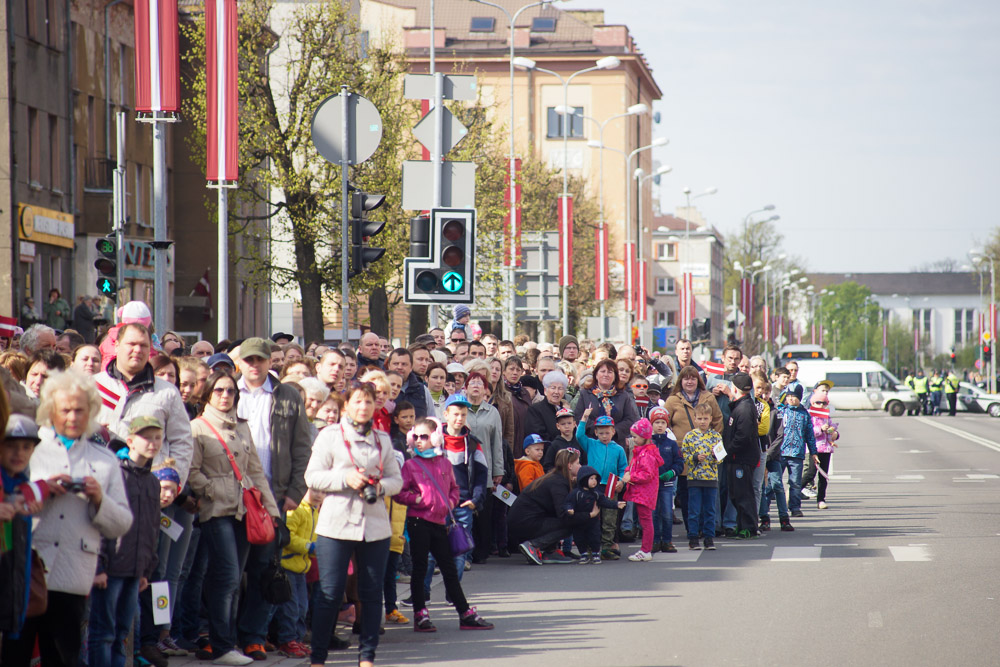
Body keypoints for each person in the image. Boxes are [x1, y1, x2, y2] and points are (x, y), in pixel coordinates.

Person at [9, 370, 133, 667]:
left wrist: (99, 499)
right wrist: (43, 490)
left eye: (80, 410)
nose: (73, 416)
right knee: (14, 655)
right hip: (25, 568)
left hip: (73, 571)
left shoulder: (104, 460)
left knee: (64, 657)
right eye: (65, 409)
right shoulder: (28, 448)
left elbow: (123, 523)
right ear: (51, 409)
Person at [94, 322, 195, 664]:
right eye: (130, 344)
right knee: (110, 567)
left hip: (153, 493)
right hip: (108, 492)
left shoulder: (165, 392)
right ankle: (118, 646)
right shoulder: (97, 385)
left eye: (142, 346)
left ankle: (153, 636)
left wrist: (172, 479)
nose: (136, 351)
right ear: (116, 345)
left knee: (158, 572)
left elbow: (182, 440)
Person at [304, 383, 403, 667]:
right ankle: (318, 658)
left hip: (374, 525)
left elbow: (397, 481)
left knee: (371, 595)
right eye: (358, 401)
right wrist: (345, 480)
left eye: (369, 402)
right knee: (330, 593)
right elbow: (312, 477)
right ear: (346, 406)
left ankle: (367, 657)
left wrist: (378, 486)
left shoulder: (383, 439)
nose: (363, 407)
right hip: (336, 524)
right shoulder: (330, 436)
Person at [188, 370, 280, 665]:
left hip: (245, 510)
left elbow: (255, 471)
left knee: (235, 577)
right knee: (226, 576)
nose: (225, 396)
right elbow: (190, 471)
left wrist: (273, 511)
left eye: (230, 391)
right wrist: (211, 488)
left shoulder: (242, 428)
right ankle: (222, 644)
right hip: (216, 510)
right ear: (208, 394)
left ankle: (228, 643)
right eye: (219, 391)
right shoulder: (197, 428)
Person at [234, 337, 313, 660]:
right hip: (235, 496)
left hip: (273, 498)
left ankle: (253, 636)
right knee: (229, 572)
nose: (254, 366)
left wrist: (294, 492)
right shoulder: (227, 391)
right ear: (240, 362)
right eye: (249, 360)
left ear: (270, 362)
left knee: (267, 570)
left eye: (260, 360)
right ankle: (221, 634)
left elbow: (302, 447)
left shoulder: (288, 395)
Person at [395, 417, 494, 633]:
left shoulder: (445, 463)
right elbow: (399, 493)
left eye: (425, 436)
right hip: (418, 522)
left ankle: (464, 613)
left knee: (449, 569)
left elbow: (454, 489)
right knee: (420, 569)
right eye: (416, 437)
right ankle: (420, 614)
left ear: (436, 438)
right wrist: (416, 500)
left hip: (441, 522)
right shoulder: (411, 465)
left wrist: (449, 503)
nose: (419, 441)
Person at [90, 416, 166, 667]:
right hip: (112, 565)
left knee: (122, 632)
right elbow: (99, 520)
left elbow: (152, 528)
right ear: (131, 441)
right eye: (147, 437)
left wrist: (146, 568)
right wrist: (99, 566)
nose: (153, 443)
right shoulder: (116, 474)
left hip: (136, 568)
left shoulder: (153, 482)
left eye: (157, 438)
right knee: (104, 632)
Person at [0, 414, 45, 650]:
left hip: (13, 597)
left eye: (26, 447)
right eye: (11, 446)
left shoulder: (24, 486)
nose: (19, 453)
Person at [664, 366, 723, 533]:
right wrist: (672, 444)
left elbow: (718, 420)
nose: (689, 381)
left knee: (707, 498)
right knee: (688, 495)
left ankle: (707, 530)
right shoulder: (673, 400)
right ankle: (692, 531)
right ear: (680, 381)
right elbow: (664, 423)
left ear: (699, 380)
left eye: (693, 378)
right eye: (686, 378)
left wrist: (714, 443)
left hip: (707, 457)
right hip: (684, 454)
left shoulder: (708, 397)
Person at [508, 449, 587, 565]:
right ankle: (533, 546)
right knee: (571, 523)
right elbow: (562, 513)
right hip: (524, 523)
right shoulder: (558, 483)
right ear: (569, 465)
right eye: (578, 463)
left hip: (523, 520)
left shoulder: (557, 477)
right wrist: (585, 516)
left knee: (564, 520)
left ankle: (551, 552)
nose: (580, 466)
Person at [273, 489, 323, 660]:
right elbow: (288, 537)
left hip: (301, 567)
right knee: (291, 607)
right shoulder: (296, 509)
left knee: (302, 606)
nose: (318, 495)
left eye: (323, 491)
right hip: (288, 564)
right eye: (314, 490)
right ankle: (287, 640)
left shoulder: (314, 510)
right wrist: (309, 547)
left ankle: (297, 639)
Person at [575, 409, 628, 560]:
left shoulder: (618, 449)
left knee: (609, 519)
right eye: (601, 433)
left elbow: (624, 468)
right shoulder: (591, 444)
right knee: (593, 518)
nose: (604, 436)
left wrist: (621, 482)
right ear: (596, 433)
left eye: (607, 432)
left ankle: (606, 546)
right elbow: (579, 435)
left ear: (613, 431)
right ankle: (592, 547)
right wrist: (584, 418)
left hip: (611, 486)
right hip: (592, 487)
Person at [563, 465, 626, 564]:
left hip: (593, 522)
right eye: (591, 478)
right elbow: (568, 502)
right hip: (579, 521)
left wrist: (616, 504)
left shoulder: (596, 493)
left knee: (595, 536)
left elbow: (604, 502)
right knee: (579, 538)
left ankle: (596, 553)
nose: (594, 481)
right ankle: (583, 553)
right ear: (583, 479)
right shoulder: (576, 493)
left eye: (595, 479)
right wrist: (569, 509)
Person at [681, 403, 722, 550]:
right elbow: (684, 456)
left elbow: (722, 457)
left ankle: (709, 538)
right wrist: (695, 457)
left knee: (710, 510)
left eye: (705, 418)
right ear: (695, 419)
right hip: (694, 478)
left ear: (711, 418)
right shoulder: (689, 436)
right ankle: (693, 537)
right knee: (694, 510)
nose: (703, 421)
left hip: (711, 478)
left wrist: (715, 455)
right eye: (700, 418)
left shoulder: (716, 436)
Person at [623, 418, 664, 562]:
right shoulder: (643, 451)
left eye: (635, 437)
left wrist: (631, 476)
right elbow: (634, 465)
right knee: (645, 521)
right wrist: (628, 471)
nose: (632, 439)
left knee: (646, 521)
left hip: (644, 492)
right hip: (643, 492)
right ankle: (645, 549)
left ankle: (646, 550)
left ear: (644, 436)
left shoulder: (646, 454)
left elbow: (646, 475)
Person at [573, 358, 640, 447]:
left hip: (616, 443)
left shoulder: (623, 395)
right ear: (596, 375)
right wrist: (599, 430)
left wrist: (613, 431)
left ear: (615, 376)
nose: (606, 375)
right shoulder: (585, 393)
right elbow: (578, 416)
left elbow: (630, 419)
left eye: (610, 372)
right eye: (602, 371)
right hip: (591, 442)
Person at [775, 384, 818, 519]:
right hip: (781, 452)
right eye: (789, 397)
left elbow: (809, 435)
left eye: (794, 397)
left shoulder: (804, 414)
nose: (791, 399)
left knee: (795, 482)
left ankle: (795, 507)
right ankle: (768, 507)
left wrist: (813, 452)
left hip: (797, 453)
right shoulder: (781, 412)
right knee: (775, 481)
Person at [725, 372, 760, 539]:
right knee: (738, 493)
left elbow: (743, 436)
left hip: (741, 458)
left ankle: (747, 527)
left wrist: (728, 450)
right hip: (739, 457)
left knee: (743, 493)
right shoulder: (742, 405)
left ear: (735, 388)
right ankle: (744, 525)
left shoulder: (744, 408)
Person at [649, 406, 682, 553]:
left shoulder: (672, 444)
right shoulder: (647, 443)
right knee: (654, 513)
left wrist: (672, 472)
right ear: (652, 425)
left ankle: (667, 541)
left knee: (668, 513)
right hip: (651, 485)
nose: (660, 425)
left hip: (667, 484)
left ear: (667, 425)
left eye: (663, 422)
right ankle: (655, 541)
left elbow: (679, 463)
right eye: (657, 422)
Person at [809, 382, 840, 510]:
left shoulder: (826, 416)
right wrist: (820, 429)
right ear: (812, 403)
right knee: (810, 474)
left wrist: (833, 433)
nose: (820, 405)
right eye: (817, 402)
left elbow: (833, 431)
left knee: (823, 476)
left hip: (826, 449)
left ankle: (821, 499)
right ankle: (794, 492)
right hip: (813, 449)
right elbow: (809, 432)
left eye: (823, 403)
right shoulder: (809, 415)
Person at [525, 369, 569, 442]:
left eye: (560, 388)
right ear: (545, 391)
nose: (556, 392)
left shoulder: (566, 410)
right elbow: (538, 436)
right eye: (553, 388)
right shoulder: (535, 410)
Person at [543, 407, 585, 472]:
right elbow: (547, 466)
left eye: (569, 423)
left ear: (574, 424)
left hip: (577, 479)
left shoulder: (580, 443)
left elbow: (585, 463)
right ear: (558, 426)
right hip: (561, 479)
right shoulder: (554, 445)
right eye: (563, 424)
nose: (567, 426)